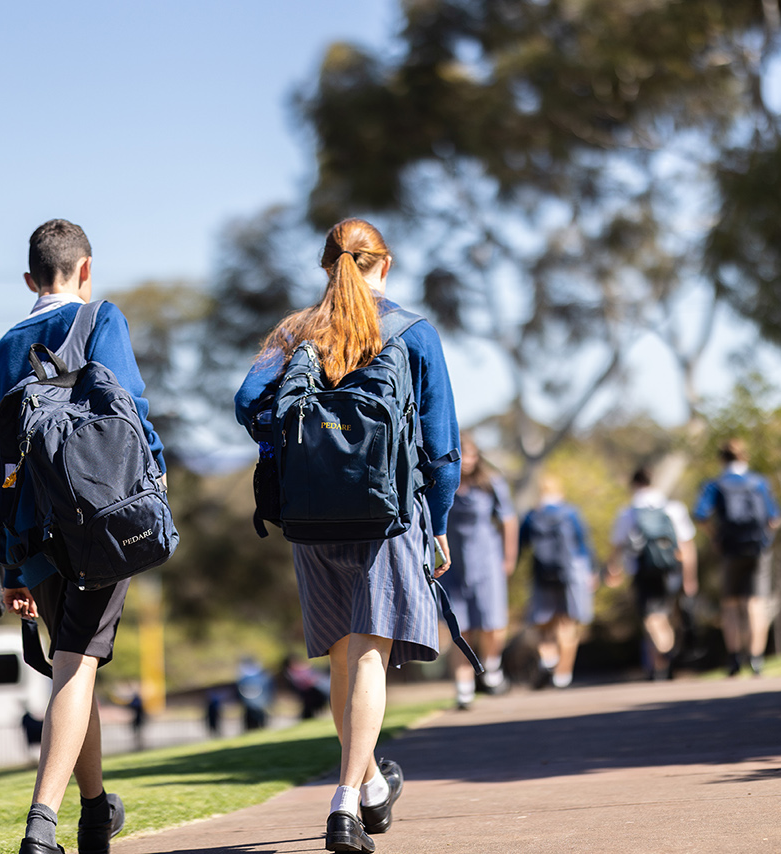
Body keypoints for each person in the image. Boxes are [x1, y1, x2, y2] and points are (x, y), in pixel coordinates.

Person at [235, 218, 460, 854]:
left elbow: (249, 401)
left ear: (327, 266)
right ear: (382, 264)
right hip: (385, 514)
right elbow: (443, 450)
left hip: (311, 517)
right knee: (367, 655)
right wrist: (437, 523)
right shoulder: (413, 331)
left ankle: (370, 788)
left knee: (342, 654)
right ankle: (344, 800)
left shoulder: (296, 331)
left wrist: (309, 451)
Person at [0, 219, 165, 854]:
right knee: (76, 664)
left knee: (70, 664)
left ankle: (93, 812)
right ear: (86, 269)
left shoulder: (4, 347)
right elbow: (127, 410)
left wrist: (9, 562)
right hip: (98, 524)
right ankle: (41, 825)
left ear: (30, 278)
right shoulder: (100, 318)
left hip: (33, 533)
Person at [693, 438, 781, 676]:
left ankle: (733, 658)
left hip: (730, 549)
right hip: (758, 549)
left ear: (721, 458)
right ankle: (756, 658)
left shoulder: (715, 484)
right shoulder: (759, 483)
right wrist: (765, 540)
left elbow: (700, 515)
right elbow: (774, 519)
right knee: (755, 603)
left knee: (731, 605)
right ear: (745, 456)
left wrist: (716, 536)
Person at [443, 432, 517, 709]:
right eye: (463, 454)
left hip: (487, 562)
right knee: (460, 629)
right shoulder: (443, 482)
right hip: (454, 566)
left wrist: (509, 558)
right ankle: (463, 689)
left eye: (472, 454)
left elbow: (509, 520)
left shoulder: (491, 483)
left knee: (491, 623)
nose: (468, 460)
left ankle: (492, 668)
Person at [607, 468, 698, 681]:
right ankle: (661, 667)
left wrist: (612, 568)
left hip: (643, 571)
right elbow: (687, 546)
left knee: (652, 617)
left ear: (634, 485)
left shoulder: (628, 512)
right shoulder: (674, 508)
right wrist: (690, 577)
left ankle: (666, 655)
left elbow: (617, 546)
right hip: (671, 569)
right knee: (665, 616)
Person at [518, 475, 594, 689]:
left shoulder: (533, 515)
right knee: (567, 623)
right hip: (570, 574)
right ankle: (563, 673)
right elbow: (583, 543)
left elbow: (521, 544)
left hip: (542, 574)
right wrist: (591, 571)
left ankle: (548, 658)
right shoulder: (570, 512)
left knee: (543, 623)